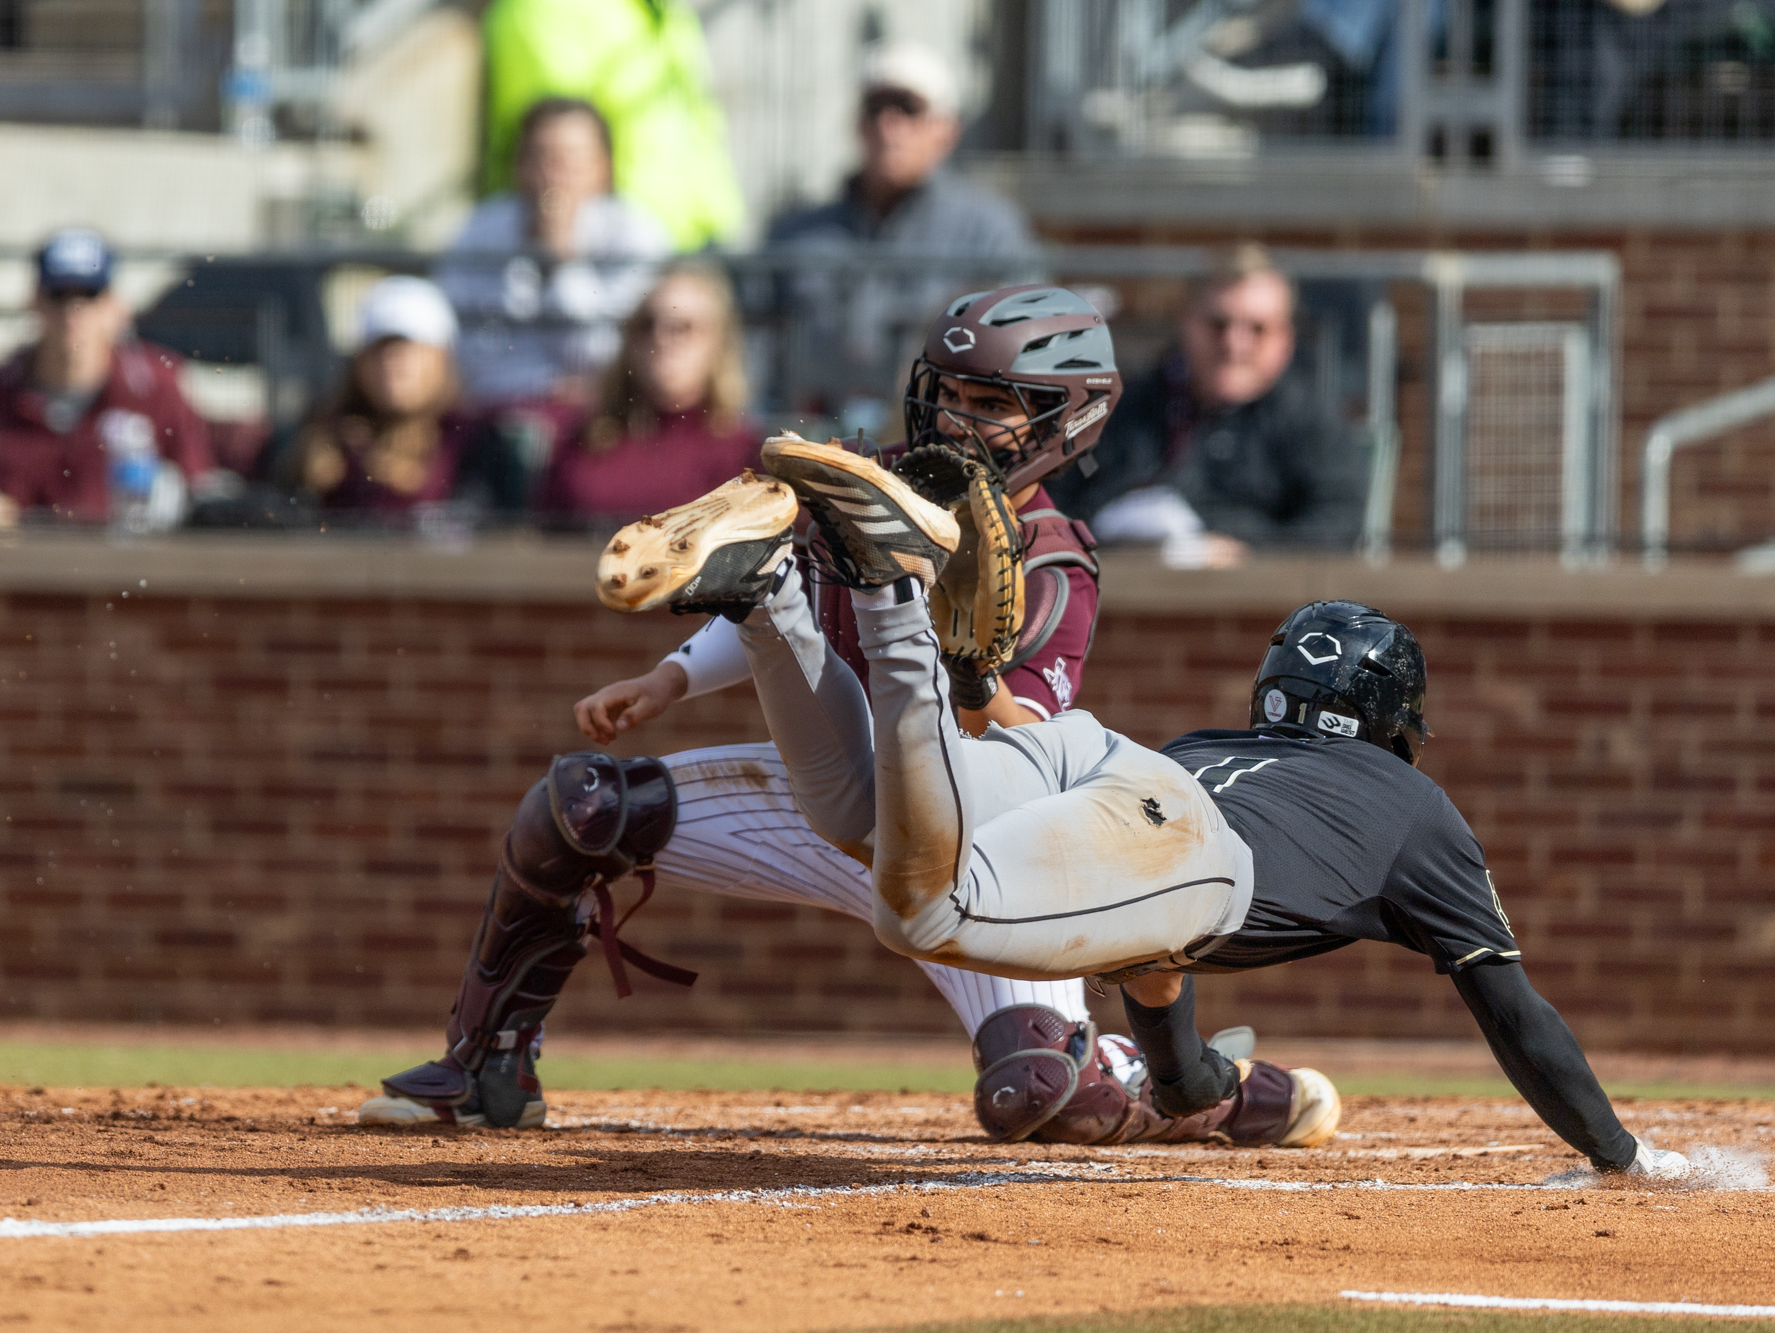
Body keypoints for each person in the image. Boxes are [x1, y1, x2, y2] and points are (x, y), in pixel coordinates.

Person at [360, 287, 1311, 1148]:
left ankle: (1189, 1082)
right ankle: (483, 1069)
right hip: (835, 789)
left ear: (1069, 421)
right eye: (948, 393)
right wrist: (668, 680)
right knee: (583, 805)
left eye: (991, 403)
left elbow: (1026, 749)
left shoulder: (1051, 555)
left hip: (972, 842)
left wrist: (969, 665)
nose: (957, 419)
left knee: (1044, 1097)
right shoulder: (870, 483)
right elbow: (807, 612)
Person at [590, 440, 1697, 1177]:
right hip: (1184, 846)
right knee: (922, 912)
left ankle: (771, 593)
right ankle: (887, 588)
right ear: (1388, 715)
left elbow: (1150, 964)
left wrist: (1188, 1084)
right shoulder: (1414, 807)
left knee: (866, 821)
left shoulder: (1227, 743)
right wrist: (1615, 1151)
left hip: (1109, 758)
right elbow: (1514, 1012)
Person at [765, 43, 1039, 435]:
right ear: (857, 123)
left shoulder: (990, 233)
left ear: (946, 130)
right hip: (809, 440)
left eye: (908, 108)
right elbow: (753, 358)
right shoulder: (797, 235)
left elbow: (1022, 354)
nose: (888, 126)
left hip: (938, 442)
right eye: (876, 107)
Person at [1052, 245, 1370, 565]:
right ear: (1186, 322)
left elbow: (1339, 525)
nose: (1234, 343)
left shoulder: (1308, 419)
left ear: (1285, 338)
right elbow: (1055, 505)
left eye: (1256, 329)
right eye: (1218, 325)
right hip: (1112, 595)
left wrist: (1245, 554)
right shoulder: (1123, 407)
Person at [0, 228, 213, 525]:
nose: (72, 312)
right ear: (34, 301)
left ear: (115, 307)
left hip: (129, 566)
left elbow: (200, 490)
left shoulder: (157, 389)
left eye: (89, 295)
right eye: (58, 295)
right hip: (8, 565)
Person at [437, 96, 675, 409]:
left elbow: (602, 355)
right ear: (519, 166)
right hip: (496, 410)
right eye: (540, 158)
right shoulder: (480, 231)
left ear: (603, 168)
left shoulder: (637, 236)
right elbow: (456, 342)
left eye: (569, 160)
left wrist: (559, 259)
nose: (552, 176)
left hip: (600, 414)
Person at [479, 0, 745, 252]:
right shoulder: (543, 10)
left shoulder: (657, 7)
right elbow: (555, 154)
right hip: (614, 254)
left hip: (696, 235)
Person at [270, 276, 524, 518]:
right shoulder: (319, 434)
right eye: (379, 348)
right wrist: (308, 484)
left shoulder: (478, 443)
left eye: (409, 348)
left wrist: (408, 492)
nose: (392, 362)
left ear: (442, 356)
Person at [536, 262, 762, 525]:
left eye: (682, 327)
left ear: (718, 342)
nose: (661, 339)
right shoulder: (585, 439)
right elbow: (541, 538)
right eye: (647, 325)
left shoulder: (742, 455)